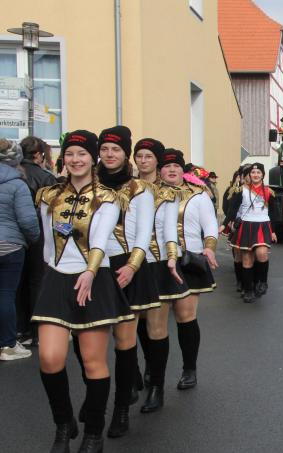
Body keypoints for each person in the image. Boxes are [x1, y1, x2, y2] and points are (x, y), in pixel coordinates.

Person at [34, 130, 133, 452]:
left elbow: (101, 240)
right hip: (57, 279)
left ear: (93, 159)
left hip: (94, 278)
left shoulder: (107, 197)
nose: (75, 160)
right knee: (50, 358)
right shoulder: (48, 196)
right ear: (63, 158)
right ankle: (64, 424)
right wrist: (50, 275)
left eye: (82, 154)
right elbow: (48, 246)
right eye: (70, 154)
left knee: (93, 362)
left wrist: (90, 272)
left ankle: (93, 431)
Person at [85, 126, 160, 438]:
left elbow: (144, 231)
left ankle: (120, 409)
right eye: (104, 149)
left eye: (115, 149)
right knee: (90, 342)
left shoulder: (139, 189)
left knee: (124, 341)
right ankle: (95, 401)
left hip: (127, 265)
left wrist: (132, 265)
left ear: (124, 153)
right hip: (92, 266)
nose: (109, 154)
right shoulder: (88, 185)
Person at [132, 138, 186, 414]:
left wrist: (173, 258)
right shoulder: (124, 188)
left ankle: (156, 385)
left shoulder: (167, 192)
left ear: (157, 161)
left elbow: (169, 230)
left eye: (148, 156)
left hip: (158, 262)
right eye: (138, 155)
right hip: (130, 263)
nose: (142, 161)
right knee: (134, 324)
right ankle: (145, 368)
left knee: (156, 326)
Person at [160, 149, 219, 391]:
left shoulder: (198, 195)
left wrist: (210, 247)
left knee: (185, 316)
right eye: (167, 166)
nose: (172, 170)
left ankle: (189, 369)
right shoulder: (149, 193)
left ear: (183, 170)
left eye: (176, 166)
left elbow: (210, 225)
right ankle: (153, 372)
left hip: (189, 260)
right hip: (158, 260)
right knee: (154, 322)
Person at [0, 139, 40, 361]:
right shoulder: (17, 184)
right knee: (6, 294)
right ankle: (7, 345)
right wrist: (32, 239)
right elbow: (27, 220)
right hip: (10, 246)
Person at [16, 136, 57, 347]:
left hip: (15, 236)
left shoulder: (13, 174)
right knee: (37, 282)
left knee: (18, 283)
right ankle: (36, 329)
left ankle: (19, 328)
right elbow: (56, 212)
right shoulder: (46, 177)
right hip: (40, 234)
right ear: (39, 154)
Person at [224, 162, 277, 303]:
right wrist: (224, 225)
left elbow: (274, 213)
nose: (255, 175)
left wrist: (274, 231)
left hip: (263, 225)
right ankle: (248, 290)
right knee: (246, 259)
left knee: (262, 253)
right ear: (250, 175)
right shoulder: (241, 190)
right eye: (253, 173)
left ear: (262, 175)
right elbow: (232, 209)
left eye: (258, 173)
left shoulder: (269, 192)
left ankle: (262, 282)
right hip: (246, 225)